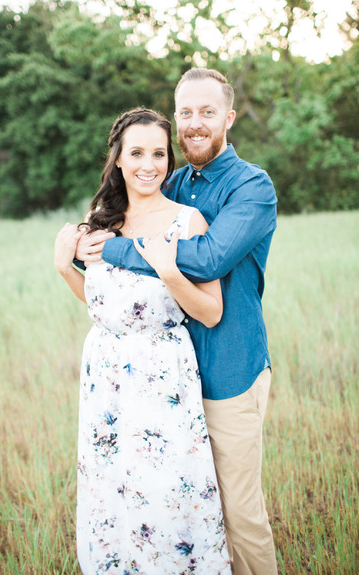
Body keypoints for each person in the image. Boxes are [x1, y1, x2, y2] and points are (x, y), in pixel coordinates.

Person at [75, 69, 279, 575]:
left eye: (207, 112)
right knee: (180, 513)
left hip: (227, 372)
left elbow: (207, 258)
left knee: (239, 516)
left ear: (228, 118)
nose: (194, 123)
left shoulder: (251, 186)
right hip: (167, 380)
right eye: (185, 112)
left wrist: (113, 248)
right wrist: (80, 254)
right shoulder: (175, 181)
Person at [54, 107, 231, 575]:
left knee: (167, 494)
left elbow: (211, 312)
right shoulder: (99, 220)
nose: (148, 164)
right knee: (113, 496)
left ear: (169, 160)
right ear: (117, 160)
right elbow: (104, 308)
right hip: (105, 378)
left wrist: (170, 272)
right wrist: (62, 267)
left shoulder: (187, 220)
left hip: (163, 376)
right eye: (136, 153)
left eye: (158, 153)